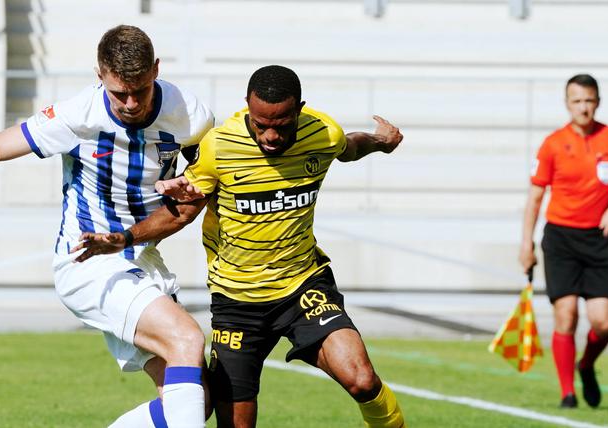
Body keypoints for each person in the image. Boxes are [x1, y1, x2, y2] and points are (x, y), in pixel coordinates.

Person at [74, 65, 406, 428]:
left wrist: (380, 142)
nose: (270, 135)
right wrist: (123, 238)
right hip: (237, 303)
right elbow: (181, 212)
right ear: (247, 106)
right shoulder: (219, 147)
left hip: (303, 286)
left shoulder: (321, 132)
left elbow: (347, 147)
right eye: (261, 123)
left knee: (362, 380)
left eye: (281, 125)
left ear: (299, 109)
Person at [0, 25, 214, 427]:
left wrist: (190, 182)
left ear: (156, 69)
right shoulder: (76, 116)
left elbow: (210, 169)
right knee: (187, 339)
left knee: (191, 399)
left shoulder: (189, 113)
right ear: (100, 75)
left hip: (141, 260)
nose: (132, 103)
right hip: (88, 263)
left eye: (141, 90)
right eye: (120, 93)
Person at [518, 73, 608, 409]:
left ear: (597, 101)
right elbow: (535, 196)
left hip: (600, 239)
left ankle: (586, 364)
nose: (583, 108)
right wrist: (525, 243)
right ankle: (567, 392)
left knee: (604, 321)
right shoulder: (553, 143)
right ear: (567, 103)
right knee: (566, 315)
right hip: (561, 239)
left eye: (589, 100)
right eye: (577, 101)